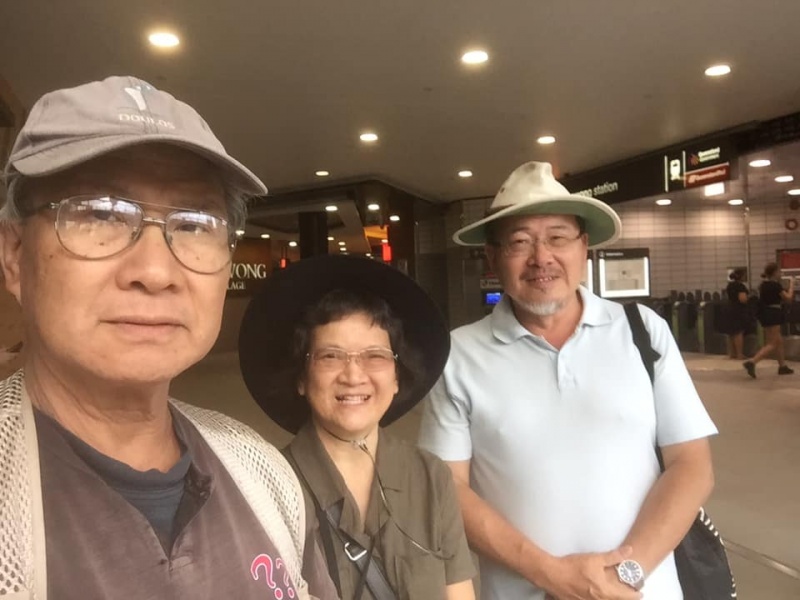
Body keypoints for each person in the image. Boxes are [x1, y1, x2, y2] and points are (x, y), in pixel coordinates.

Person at [0, 76, 336, 599]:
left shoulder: (262, 473)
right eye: (100, 213)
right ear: (14, 254)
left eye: (195, 223)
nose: (156, 272)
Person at [418, 162, 718, 600]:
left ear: (584, 247)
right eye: (519, 241)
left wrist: (625, 575)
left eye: (558, 237)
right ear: (492, 257)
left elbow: (691, 464)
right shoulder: (458, 355)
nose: (542, 257)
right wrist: (552, 575)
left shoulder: (642, 331)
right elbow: (446, 488)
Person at [239, 254, 476, 600]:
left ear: (397, 377)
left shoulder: (429, 477)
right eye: (330, 356)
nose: (353, 375)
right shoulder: (264, 489)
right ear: (302, 378)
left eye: (375, 356)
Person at [743, 262, 795, 378]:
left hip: (765, 314)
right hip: (774, 314)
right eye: (779, 271)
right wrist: (792, 285)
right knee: (772, 343)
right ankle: (752, 362)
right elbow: (788, 299)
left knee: (778, 341)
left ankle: (782, 366)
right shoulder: (775, 285)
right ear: (775, 272)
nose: (780, 273)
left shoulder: (763, 285)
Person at [724, 268, 750, 359]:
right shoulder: (740, 286)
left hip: (729, 308)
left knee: (731, 332)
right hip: (738, 310)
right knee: (738, 332)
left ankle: (732, 353)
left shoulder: (729, 285)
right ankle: (739, 354)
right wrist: (748, 299)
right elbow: (742, 299)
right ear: (741, 276)